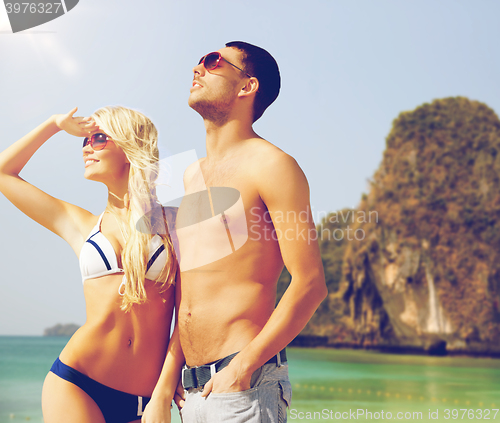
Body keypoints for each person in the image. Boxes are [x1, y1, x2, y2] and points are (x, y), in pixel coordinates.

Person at [143, 42, 327, 423]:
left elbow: (310, 284)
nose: (198, 68)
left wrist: (243, 368)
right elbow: (190, 295)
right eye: (198, 60)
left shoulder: (273, 166)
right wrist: (163, 385)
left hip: (244, 387)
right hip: (190, 393)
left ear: (247, 87)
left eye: (213, 62)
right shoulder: (188, 176)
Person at [0, 106, 179, 423]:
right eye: (84, 141)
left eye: (98, 139)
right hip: (76, 383)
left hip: (145, 396)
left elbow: (190, 312)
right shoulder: (81, 225)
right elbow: (3, 173)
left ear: (127, 146)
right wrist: (54, 124)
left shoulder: (175, 225)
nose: (86, 147)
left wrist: (166, 386)